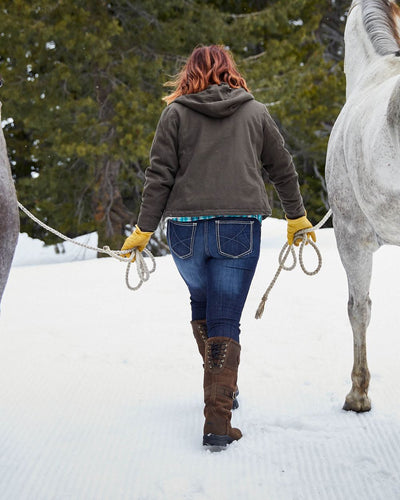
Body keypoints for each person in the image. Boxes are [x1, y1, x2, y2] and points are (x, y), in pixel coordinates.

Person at [121, 45, 315, 450]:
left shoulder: (174, 113)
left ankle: (222, 390)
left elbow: (158, 177)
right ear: (231, 71)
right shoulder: (255, 111)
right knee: (224, 317)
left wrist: (143, 230)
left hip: (185, 234)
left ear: (189, 73)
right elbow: (283, 169)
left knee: (203, 303)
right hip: (238, 229)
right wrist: (296, 217)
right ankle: (217, 422)